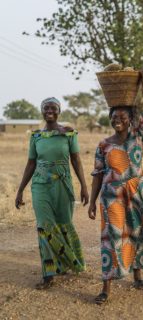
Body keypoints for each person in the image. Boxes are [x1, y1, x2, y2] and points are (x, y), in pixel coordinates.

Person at [88, 73, 143, 304]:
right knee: (111, 237)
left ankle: (137, 274)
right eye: (114, 117)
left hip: (137, 192)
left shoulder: (138, 135)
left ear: (131, 119)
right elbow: (97, 175)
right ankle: (106, 287)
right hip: (111, 196)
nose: (117, 120)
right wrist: (93, 202)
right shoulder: (103, 145)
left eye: (122, 116)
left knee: (137, 231)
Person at [15, 97, 88, 289]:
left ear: (59, 111)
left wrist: (84, 186)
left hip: (63, 186)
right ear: (41, 111)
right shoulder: (36, 136)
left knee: (64, 224)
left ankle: (64, 263)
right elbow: (31, 163)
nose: (49, 110)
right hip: (40, 186)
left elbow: (77, 161)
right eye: (46, 108)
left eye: (53, 108)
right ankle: (48, 273)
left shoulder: (69, 134)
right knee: (44, 226)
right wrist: (20, 189)